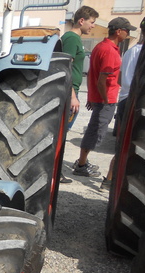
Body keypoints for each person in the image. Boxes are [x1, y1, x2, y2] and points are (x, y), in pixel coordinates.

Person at [73, 17, 136, 178]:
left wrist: (92, 97)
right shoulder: (110, 51)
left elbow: (92, 74)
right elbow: (102, 80)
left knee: (94, 129)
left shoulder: (100, 46)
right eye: (127, 31)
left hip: (99, 97)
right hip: (105, 98)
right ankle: (81, 164)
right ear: (119, 31)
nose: (128, 34)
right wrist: (106, 100)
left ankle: (82, 162)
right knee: (95, 132)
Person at [101, 15, 145, 190]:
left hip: (124, 99)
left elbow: (120, 78)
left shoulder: (129, 51)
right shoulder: (141, 53)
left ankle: (109, 179)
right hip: (135, 101)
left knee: (122, 146)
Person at [59, 6, 99, 183]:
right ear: (81, 21)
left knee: (62, 133)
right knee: (60, 134)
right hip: (69, 93)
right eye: (91, 22)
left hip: (71, 91)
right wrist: (73, 95)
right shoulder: (71, 39)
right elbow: (65, 67)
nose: (93, 26)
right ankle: (55, 172)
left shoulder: (74, 39)